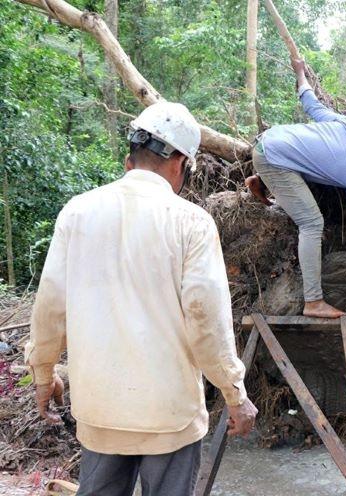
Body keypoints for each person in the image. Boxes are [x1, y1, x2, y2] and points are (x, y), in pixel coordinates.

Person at [26, 101, 259, 496]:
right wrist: (235, 395)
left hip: (100, 413)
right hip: (169, 418)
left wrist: (44, 374)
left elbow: (50, 308)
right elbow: (206, 322)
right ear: (181, 163)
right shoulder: (192, 223)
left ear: (128, 159)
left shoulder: (77, 213)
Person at [245, 59, 346, 319]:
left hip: (269, 141)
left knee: (312, 165)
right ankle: (313, 302)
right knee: (312, 223)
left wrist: (300, 73)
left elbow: (311, 104)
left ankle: (261, 180)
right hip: (273, 159)